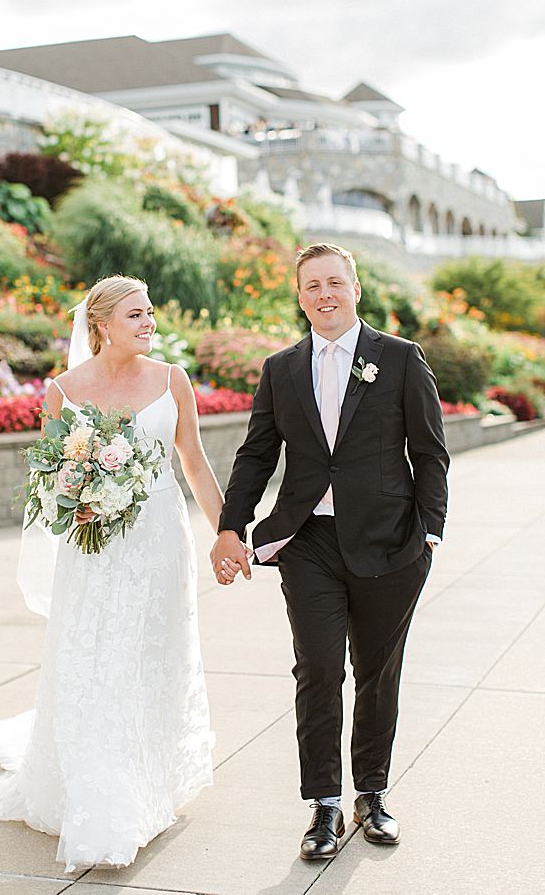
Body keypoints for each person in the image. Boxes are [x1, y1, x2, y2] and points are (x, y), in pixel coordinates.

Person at [0, 274, 220, 870]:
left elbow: (196, 465)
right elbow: (52, 481)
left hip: (159, 545)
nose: (149, 322)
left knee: (152, 657)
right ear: (102, 325)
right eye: (136, 315)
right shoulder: (63, 391)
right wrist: (84, 492)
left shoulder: (171, 380)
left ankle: (147, 779)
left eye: (150, 312)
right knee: (94, 660)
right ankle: (100, 797)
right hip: (93, 550)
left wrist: (227, 534)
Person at [210, 242, 448, 861]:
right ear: (299, 297)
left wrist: (430, 531)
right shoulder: (281, 368)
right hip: (310, 542)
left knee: (377, 671)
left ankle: (372, 793)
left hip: (391, 544)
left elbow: (428, 451)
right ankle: (323, 806)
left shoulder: (399, 359)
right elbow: (257, 454)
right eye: (312, 286)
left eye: (334, 283)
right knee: (318, 668)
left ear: (355, 288)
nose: (324, 295)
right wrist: (230, 527)